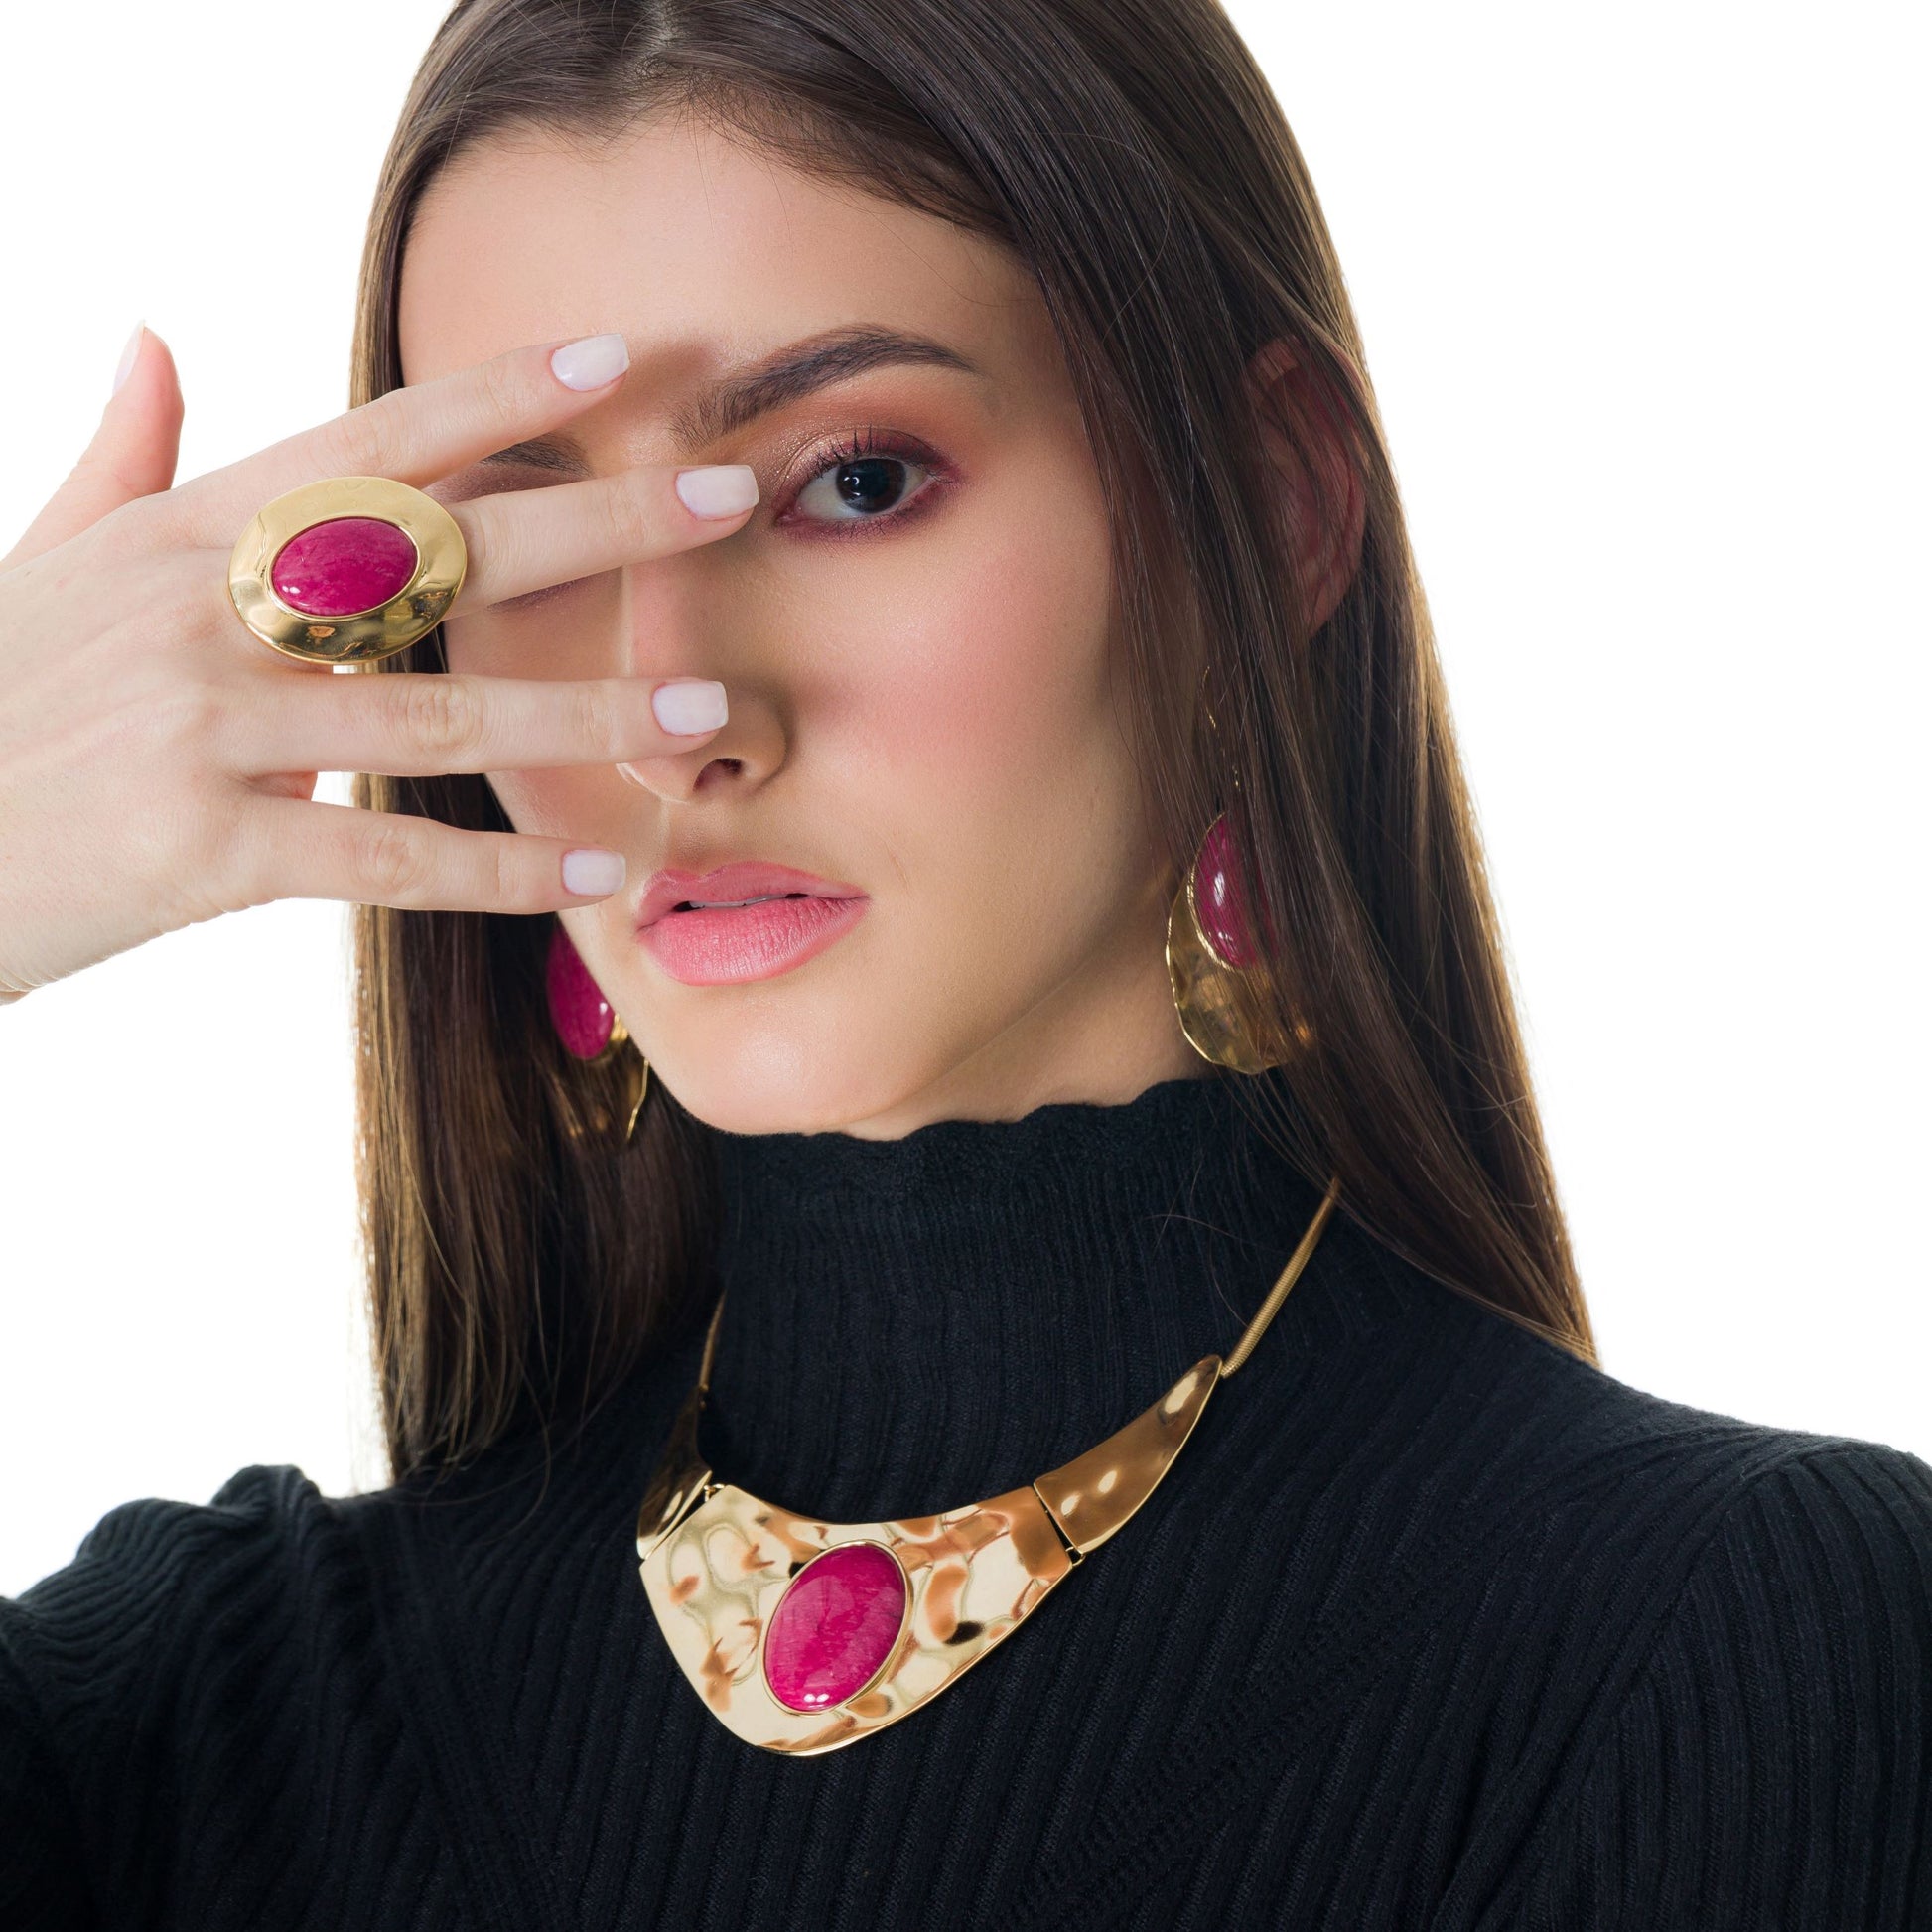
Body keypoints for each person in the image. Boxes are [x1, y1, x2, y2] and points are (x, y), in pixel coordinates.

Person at [2, 1, 1926, 1925]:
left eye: (853, 480)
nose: (673, 713)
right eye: (531, 537)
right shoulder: (198, 1722)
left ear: (1276, 502)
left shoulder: (1718, 1654)